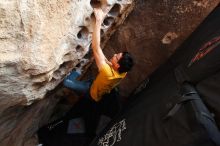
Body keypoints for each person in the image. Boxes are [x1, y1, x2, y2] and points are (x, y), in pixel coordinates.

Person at [63, 7, 133, 138]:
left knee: (66, 82)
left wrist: (99, 21)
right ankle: (79, 73)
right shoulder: (123, 73)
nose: (116, 54)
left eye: (117, 57)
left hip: (91, 92)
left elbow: (96, 47)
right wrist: (106, 61)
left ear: (117, 65)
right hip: (96, 84)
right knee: (88, 80)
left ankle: (77, 70)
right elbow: (107, 62)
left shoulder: (107, 72)